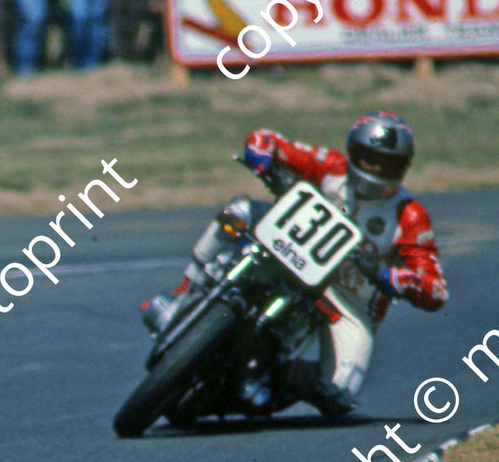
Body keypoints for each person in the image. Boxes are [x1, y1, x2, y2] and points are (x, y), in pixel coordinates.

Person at [142, 112, 448, 418]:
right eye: (369, 159)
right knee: (238, 211)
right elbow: (268, 141)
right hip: (285, 247)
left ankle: (278, 383)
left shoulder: (409, 216)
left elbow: (435, 288)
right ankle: (185, 291)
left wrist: (399, 279)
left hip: (346, 302)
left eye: (387, 164)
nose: (376, 169)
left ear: (403, 168)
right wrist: (263, 155)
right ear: (353, 152)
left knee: (340, 393)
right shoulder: (331, 166)